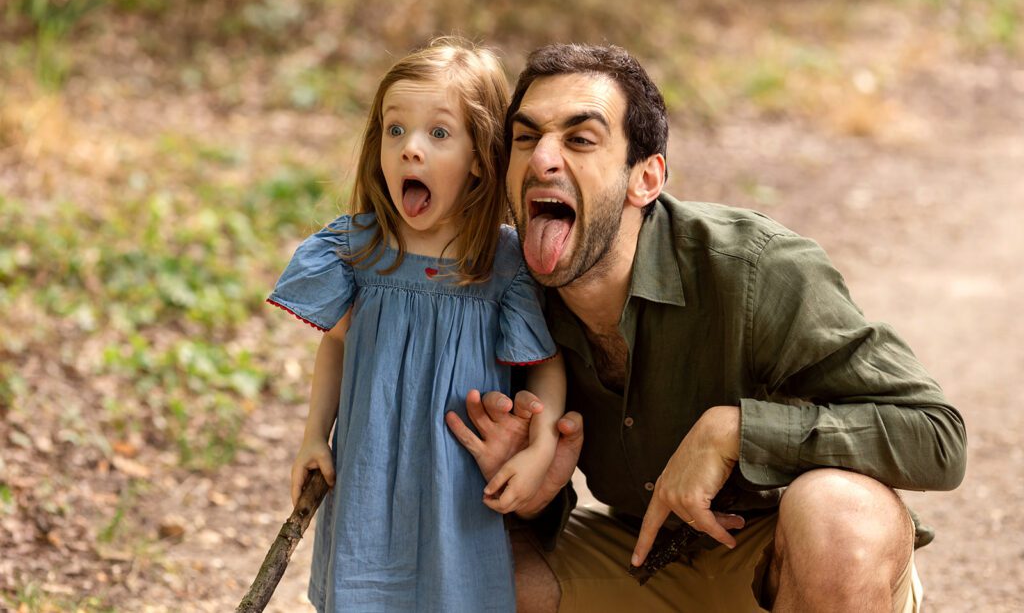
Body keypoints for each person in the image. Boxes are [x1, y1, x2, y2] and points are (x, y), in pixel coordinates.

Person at [446, 43, 967, 612]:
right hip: (642, 559)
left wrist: (737, 432)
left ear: (646, 179)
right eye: (526, 138)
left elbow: (937, 438)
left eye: (580, 139)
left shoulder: (757, 269)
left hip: (784, 562)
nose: (543, 158)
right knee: (465, 568)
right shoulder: (497, 292)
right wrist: (531, 497)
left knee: (837, 512)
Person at [266, 37, 566, 612]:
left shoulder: (502, 264)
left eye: (439, 133)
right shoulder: (358, 248)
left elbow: (545, 367)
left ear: (481, 157)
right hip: (368, 477)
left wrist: (539, 443)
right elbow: (337, 344)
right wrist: (313, 435)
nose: (409, 150)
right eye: (395, 129)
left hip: (457, 491)